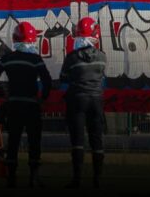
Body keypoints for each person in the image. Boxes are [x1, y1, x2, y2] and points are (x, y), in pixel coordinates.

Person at [0, 21, 52, 188]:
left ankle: (11, 178)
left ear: (15, 39)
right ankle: (34, 178)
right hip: (31, 106)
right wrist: (42, 98)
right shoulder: (36, 59)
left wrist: (3, 94)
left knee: (13, 141)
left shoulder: (7, 59)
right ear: (31, 40)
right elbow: (47, 80)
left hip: (14, 105)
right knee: (34, 141)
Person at [60, 16, 107, 189]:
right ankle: (97, 179)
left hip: (77, 99)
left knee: (78, 140)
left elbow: (63, 78)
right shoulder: (102, 56)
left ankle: (77, 178)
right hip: (96, 99)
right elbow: (101, 75)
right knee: (97, 139)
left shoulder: (72, 57)